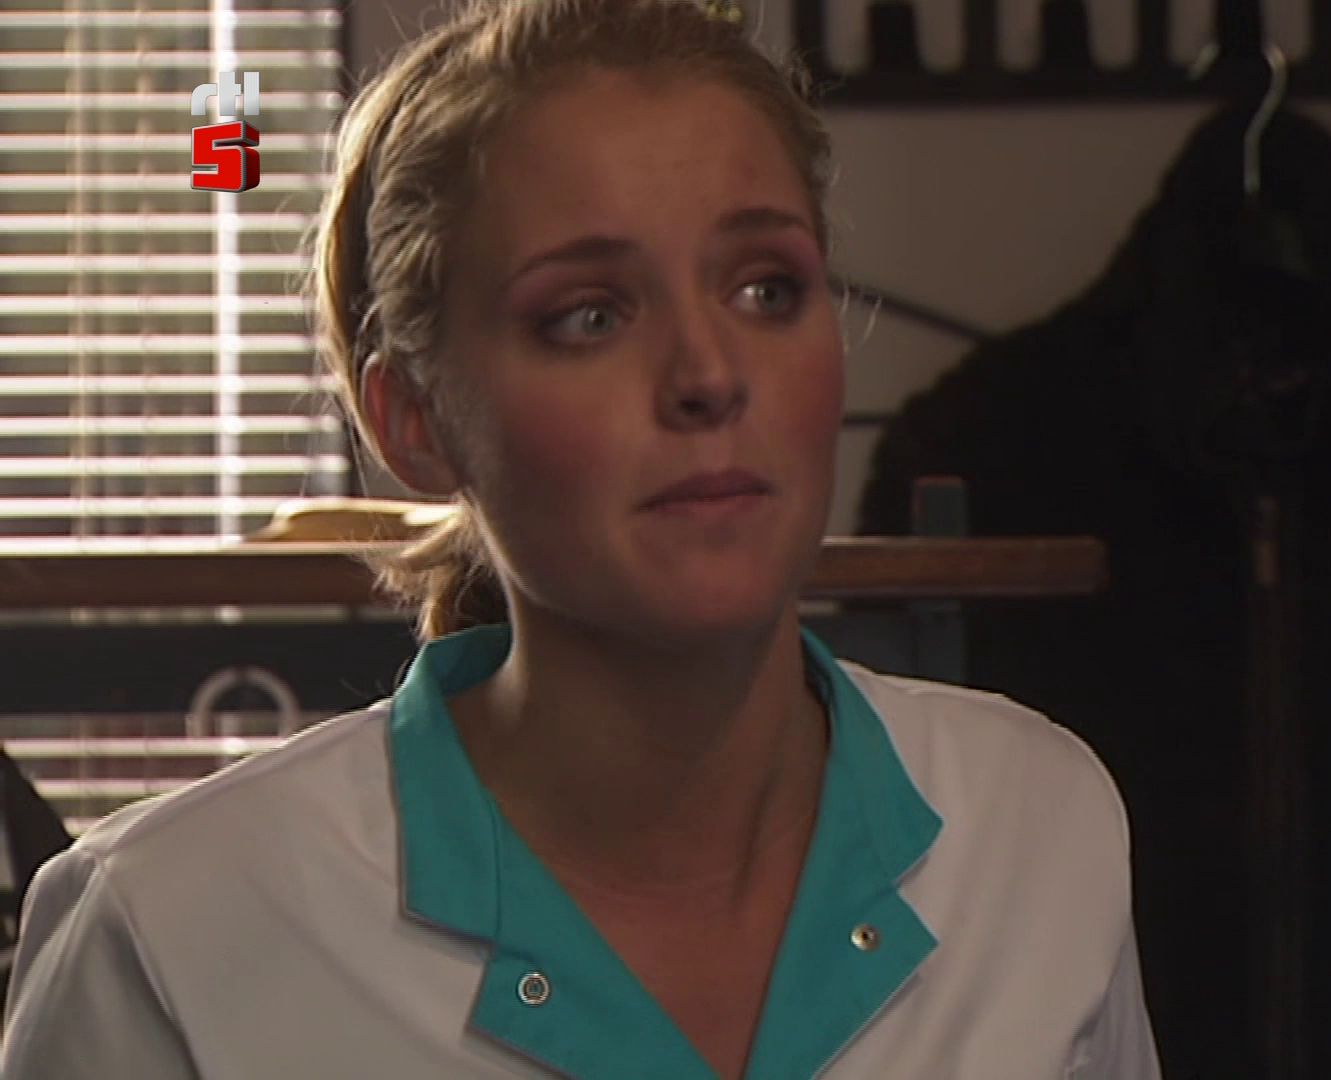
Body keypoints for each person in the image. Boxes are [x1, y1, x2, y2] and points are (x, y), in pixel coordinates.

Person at [0, 2, 1159, 1076]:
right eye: (589, 316)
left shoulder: (1037, 826)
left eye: (765, 290)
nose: (710, 374)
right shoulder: (168, 930)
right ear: (414, 420)